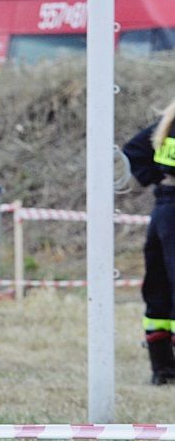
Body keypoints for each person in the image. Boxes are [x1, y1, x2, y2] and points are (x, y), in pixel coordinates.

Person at [123, 98, 175, 385]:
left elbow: (135, 151)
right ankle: (163, 370)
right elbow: (134, 151)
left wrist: (156, 178)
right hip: (167, 209)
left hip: (164, 209)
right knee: (160, 289)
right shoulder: (168, 122)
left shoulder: (168, 121)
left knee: (158, 289)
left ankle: (163, 370)